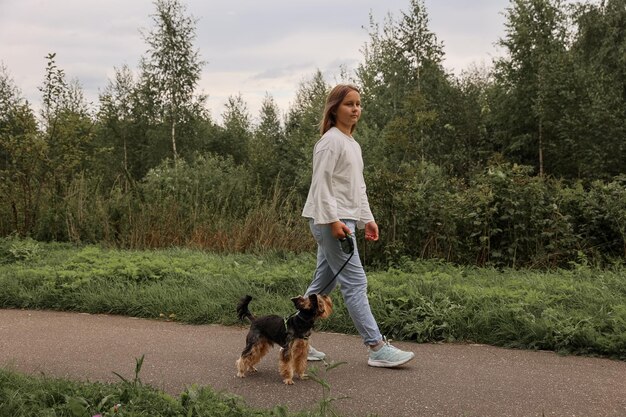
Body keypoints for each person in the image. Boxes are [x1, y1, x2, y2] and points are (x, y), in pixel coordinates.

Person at [301, 84, 415, 368]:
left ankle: (295, 339)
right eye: (349, 104)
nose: (355, 109)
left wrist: (368, 219)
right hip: (332, 220)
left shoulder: (352, 144)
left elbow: (357, 188)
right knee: (355, 282)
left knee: (323, 285)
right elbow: (321, 184)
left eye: (358, 104)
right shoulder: (330, 141)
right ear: (334, 108)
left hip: (345, 219)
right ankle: (376, 347)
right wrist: (333, 221)